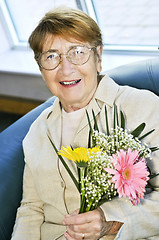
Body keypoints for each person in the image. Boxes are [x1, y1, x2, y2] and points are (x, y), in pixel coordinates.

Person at [11, 7, 159, 240]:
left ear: (98, 57)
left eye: (77, 52)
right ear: (41, 69)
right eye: (51, 56)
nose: (66, 68)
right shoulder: (37, 132)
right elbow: (31, 208)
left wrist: (110, 221)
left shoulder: (144, 107)